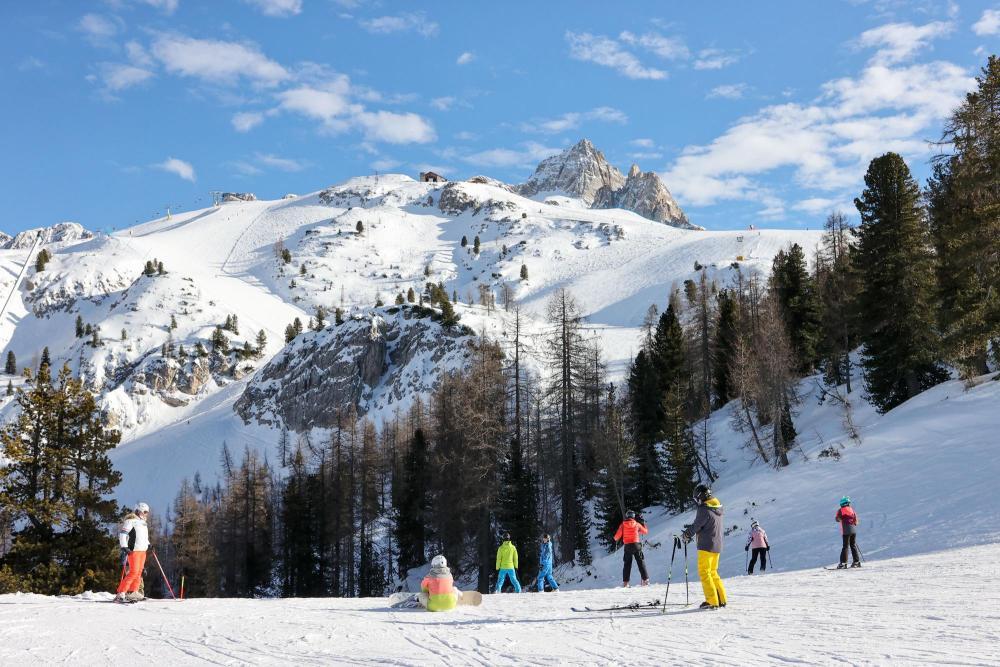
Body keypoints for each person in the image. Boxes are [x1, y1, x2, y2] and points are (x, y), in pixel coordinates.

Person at [682, 484, 727, 609]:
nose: (697, 501)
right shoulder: (717, 508)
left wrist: (686, 534)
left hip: (706, 545)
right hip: (716, 545)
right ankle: (721, 599)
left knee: (704, 572)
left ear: (701, 496)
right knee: (713, 572)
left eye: (697, 498)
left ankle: (712, 601)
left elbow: (698, 525)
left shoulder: (704, 509)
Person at [116, 502, 150, 602]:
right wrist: (124, 547)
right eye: (144, 511)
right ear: (138, 511)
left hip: (142, 551)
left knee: (139, 573)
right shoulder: (131, 521)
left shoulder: (143, 523)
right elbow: (123, 534)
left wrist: (149, 544)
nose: (146, 514)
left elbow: (143, 537)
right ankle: (121, 593)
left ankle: (133, 592)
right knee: (133, 572)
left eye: (147, 512)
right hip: (134, 551)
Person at [613, 510, 649, 587]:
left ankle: (626, 583)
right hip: (636, 545)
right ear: (633, 516)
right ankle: (645, 581)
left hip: (627, 546)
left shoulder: (623, 524)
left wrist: (616, 537)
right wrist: (643, 524)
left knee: (627, 564)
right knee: (641, 563)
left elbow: (616, 537)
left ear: (627, 516)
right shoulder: (637, 524)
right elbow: (645, 532)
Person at [835, 496, 861, 568]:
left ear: (842, 504)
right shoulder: (852, 510)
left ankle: (843, 564)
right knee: (853, 545)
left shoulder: (840, 510)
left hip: (846, 531)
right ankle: (856, 562)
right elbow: (856, 522)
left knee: (845, 546)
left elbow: (837, 519)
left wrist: (841, 519)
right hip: (853, 531)